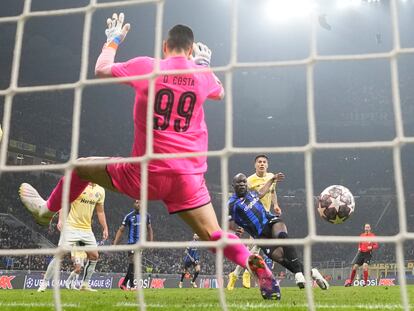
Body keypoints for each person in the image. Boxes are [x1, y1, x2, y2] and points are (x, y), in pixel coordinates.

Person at [18, 13, 279, 299]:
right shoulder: (201, 76)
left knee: (80, 167)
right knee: (213, 234)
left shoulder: (147, 67)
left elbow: (101, 69)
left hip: (144, 174)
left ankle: (46, 211)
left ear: (165, 46)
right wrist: (204, 65)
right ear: (191, 50)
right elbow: (220, 92)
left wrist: (113, 41)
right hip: (187, 179)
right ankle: (249, 261)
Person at [228, 173, 329, 291]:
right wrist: (236, 230)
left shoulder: (251, 194)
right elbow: (229, 224)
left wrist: (272, 179)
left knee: (282, 236)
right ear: (233, 185)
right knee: (280, 258)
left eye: (244, 182)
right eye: (239, 182)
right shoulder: (232, 204)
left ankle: (297, 274)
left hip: (271, 221)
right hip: (260, 236)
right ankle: (312, 273)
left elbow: (262, 192)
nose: (242, 184)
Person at [37, 183, 108, 292]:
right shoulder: (78, 185)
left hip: (86, 229)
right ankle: (44, 283)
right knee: (60, 254)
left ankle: (85, 285)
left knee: (94, 255)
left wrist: (105, 228)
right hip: (71, 227)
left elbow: (100, 211)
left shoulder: (101, 190)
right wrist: (61, 219)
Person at [227, 154, 284, 290]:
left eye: (264, 162)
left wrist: (276, 204)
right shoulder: (249, 180)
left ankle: (235, 274)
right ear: (255, 164)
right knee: (257, 246)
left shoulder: (271, 177)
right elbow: (242, 202)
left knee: (256, 246)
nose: (262, 164)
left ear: (267, 165)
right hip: (253, 218)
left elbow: (272, 191)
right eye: (259, 162)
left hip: (266, 214)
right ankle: (244, 273)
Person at [113, 200, 153, 290]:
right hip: (131, 244)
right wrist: (115, 243)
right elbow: (121, 230)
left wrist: (150, 242)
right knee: (133, 262)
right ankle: (132, 286)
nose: (138, 204)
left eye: (140, 202)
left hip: (141, 245)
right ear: (134, 204)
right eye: (136, 202)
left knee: (134, 265)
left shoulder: (147, 216)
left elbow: (149, 229)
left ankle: (123, 284)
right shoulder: (129, 216)